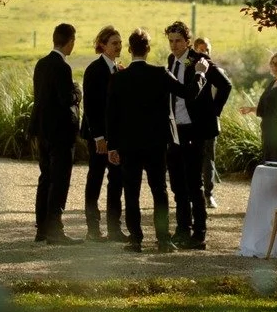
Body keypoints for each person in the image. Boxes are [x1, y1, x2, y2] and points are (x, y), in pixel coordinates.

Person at [105, 28, 187, 253]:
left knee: (131, 191)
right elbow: (184, 92)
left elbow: (111, 115)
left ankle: (136, 239)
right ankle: (163, 239)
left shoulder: (118, 78)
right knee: (159, 190)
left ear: (130, 50)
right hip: (156, 143)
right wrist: (199, 72)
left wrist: (112, 146)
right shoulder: (161, 73)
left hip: (129, 143)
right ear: (148, 49)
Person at [28, 22, 81, 245]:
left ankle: (42, 228)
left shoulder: (41, 64)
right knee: (59, 180)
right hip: (60, 132)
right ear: (69, 42)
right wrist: (77, 92)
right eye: (73, 42)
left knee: (45, 177)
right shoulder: (63, 67)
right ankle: (55, 229)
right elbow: (64, 99)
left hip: (43, 129)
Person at [164, 22, 213, 249]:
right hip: (175, 130)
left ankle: (199, 234)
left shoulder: (198, 61)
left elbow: (225, 84)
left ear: (188, 41)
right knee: (177, 183)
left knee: (194, 183)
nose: (174, 45)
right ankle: (182, 229)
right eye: (171, 41)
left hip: (194, 129)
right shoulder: (171, 60)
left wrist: (211, 113)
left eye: (178, 41)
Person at [81, 25, 126, 242]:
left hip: (116, 136)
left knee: (116, 180)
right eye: (114, 43)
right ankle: (93, 229)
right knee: (95, 179)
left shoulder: (119, 70)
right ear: (103, 45)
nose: (119, 46)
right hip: (97, 136)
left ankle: (115, 229)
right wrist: (99, 137)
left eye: (120, 42)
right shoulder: (94, 69)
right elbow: (90, 106)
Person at [193, 36, 232, 209]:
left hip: (209, 122)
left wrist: (215, 111)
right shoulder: (191, 68)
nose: (204, 52)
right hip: (192, 122)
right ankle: (194, 193)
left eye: (207, 49)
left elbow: (225, 88)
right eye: (200, 49)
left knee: (208, 159)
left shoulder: (215, 70)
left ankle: (208, 195)